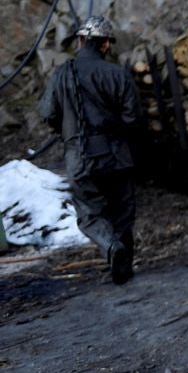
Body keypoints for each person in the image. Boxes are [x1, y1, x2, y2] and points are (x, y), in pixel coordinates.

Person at [38, 15, 142, 284]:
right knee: (122, 212)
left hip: (81, 156)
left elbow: (48, 113)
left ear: (81, 41)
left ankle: (111, 248)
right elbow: (134, 119)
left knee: (89, 213)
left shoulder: (62, 74)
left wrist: (68, 130)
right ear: (105, 44)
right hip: (117, 154)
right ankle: (123, 265)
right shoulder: (118, 74)